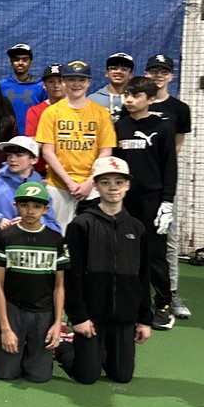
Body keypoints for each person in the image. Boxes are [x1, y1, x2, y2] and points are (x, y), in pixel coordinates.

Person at [55, 157, 152, 385]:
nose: (113, 188)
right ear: (96, 186)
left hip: (124, 318)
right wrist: (79, 317)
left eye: (119, 182)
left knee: (121, 376)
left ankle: (103, 353)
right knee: (87, 376)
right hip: (92, 317)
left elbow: (143, 276)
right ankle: (64, 348)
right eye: (106, 182)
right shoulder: (81, 225)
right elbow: (73, 275)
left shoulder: (137, 228)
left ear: (127, 185)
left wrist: (144, 320)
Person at [115, 77, 178, 330]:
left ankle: (163, 305)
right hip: (124, 201)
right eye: (127, 95)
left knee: (155, 256)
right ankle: (134, 304)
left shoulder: (163, 127)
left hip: (153, 201)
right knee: (127, 255)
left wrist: (167, 202)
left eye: (136, 95)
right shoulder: (119, 126)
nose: (129, 99)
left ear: (150, 100)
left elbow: (169, 167)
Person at [0, 181, 68, 383]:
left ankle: (43, 351)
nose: (30, 211)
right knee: (5, 373)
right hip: (14, 309)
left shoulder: (55, 239)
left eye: (36, 206)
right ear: (16, 206)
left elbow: (59, 286)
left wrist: (57, 324)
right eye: (25, 205)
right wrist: (6, 328)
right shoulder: (6, 238)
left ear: (46, 209)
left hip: (43, 311)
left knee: (39, 376)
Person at [35, 61, 117, 232]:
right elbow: (48, 151)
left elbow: (105, 152)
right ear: (63, 82)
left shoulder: (101, 113)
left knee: (92, 235)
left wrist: (89, 182)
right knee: (58, 235)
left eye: (81, 80)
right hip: (58, 186)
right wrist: (69, 183)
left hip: (93, 186)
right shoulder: (51, 113)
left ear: (89, 83)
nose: (76, 84)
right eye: (71, 79)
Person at [144, 53, 193, 321]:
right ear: (146, 74)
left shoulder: (180, 109)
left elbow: (176, 145)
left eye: (164, 71)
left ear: (171, 76)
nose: (158, 75)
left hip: (166, 183)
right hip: (139, 184)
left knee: (169, 242)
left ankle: (170, 294)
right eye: (153, 70)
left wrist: (164, 183)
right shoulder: (139, 104)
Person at [0, 135, 59, 232]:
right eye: (9, 155)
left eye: (19, 155)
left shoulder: (41, 189)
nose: (12, 159)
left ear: (34, 160)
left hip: (28, 244)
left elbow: (54, 227)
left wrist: (33, 221)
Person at [25, 64, 64, 178]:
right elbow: (33, 143)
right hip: (42, 173)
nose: (56, 85)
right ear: (44, 85)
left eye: (60, 81)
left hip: (72, 171)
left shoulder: (77, 109)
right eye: (51, 82)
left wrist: (45, 140)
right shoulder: (35, 111)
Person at [0, 44, 47, 135]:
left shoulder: (41, 86)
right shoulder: (1, 85)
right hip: (7, 136)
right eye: (16, 59)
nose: (20, 63)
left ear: (31, 62)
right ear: (11, 62)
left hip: (33, 137)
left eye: (25, 59)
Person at [89, 52, 134, 124]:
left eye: (124, 69)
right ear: (106, 73)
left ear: (130, 74)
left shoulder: (137, 99)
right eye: (114, 68)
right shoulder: (93, 99)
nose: (119, 71)